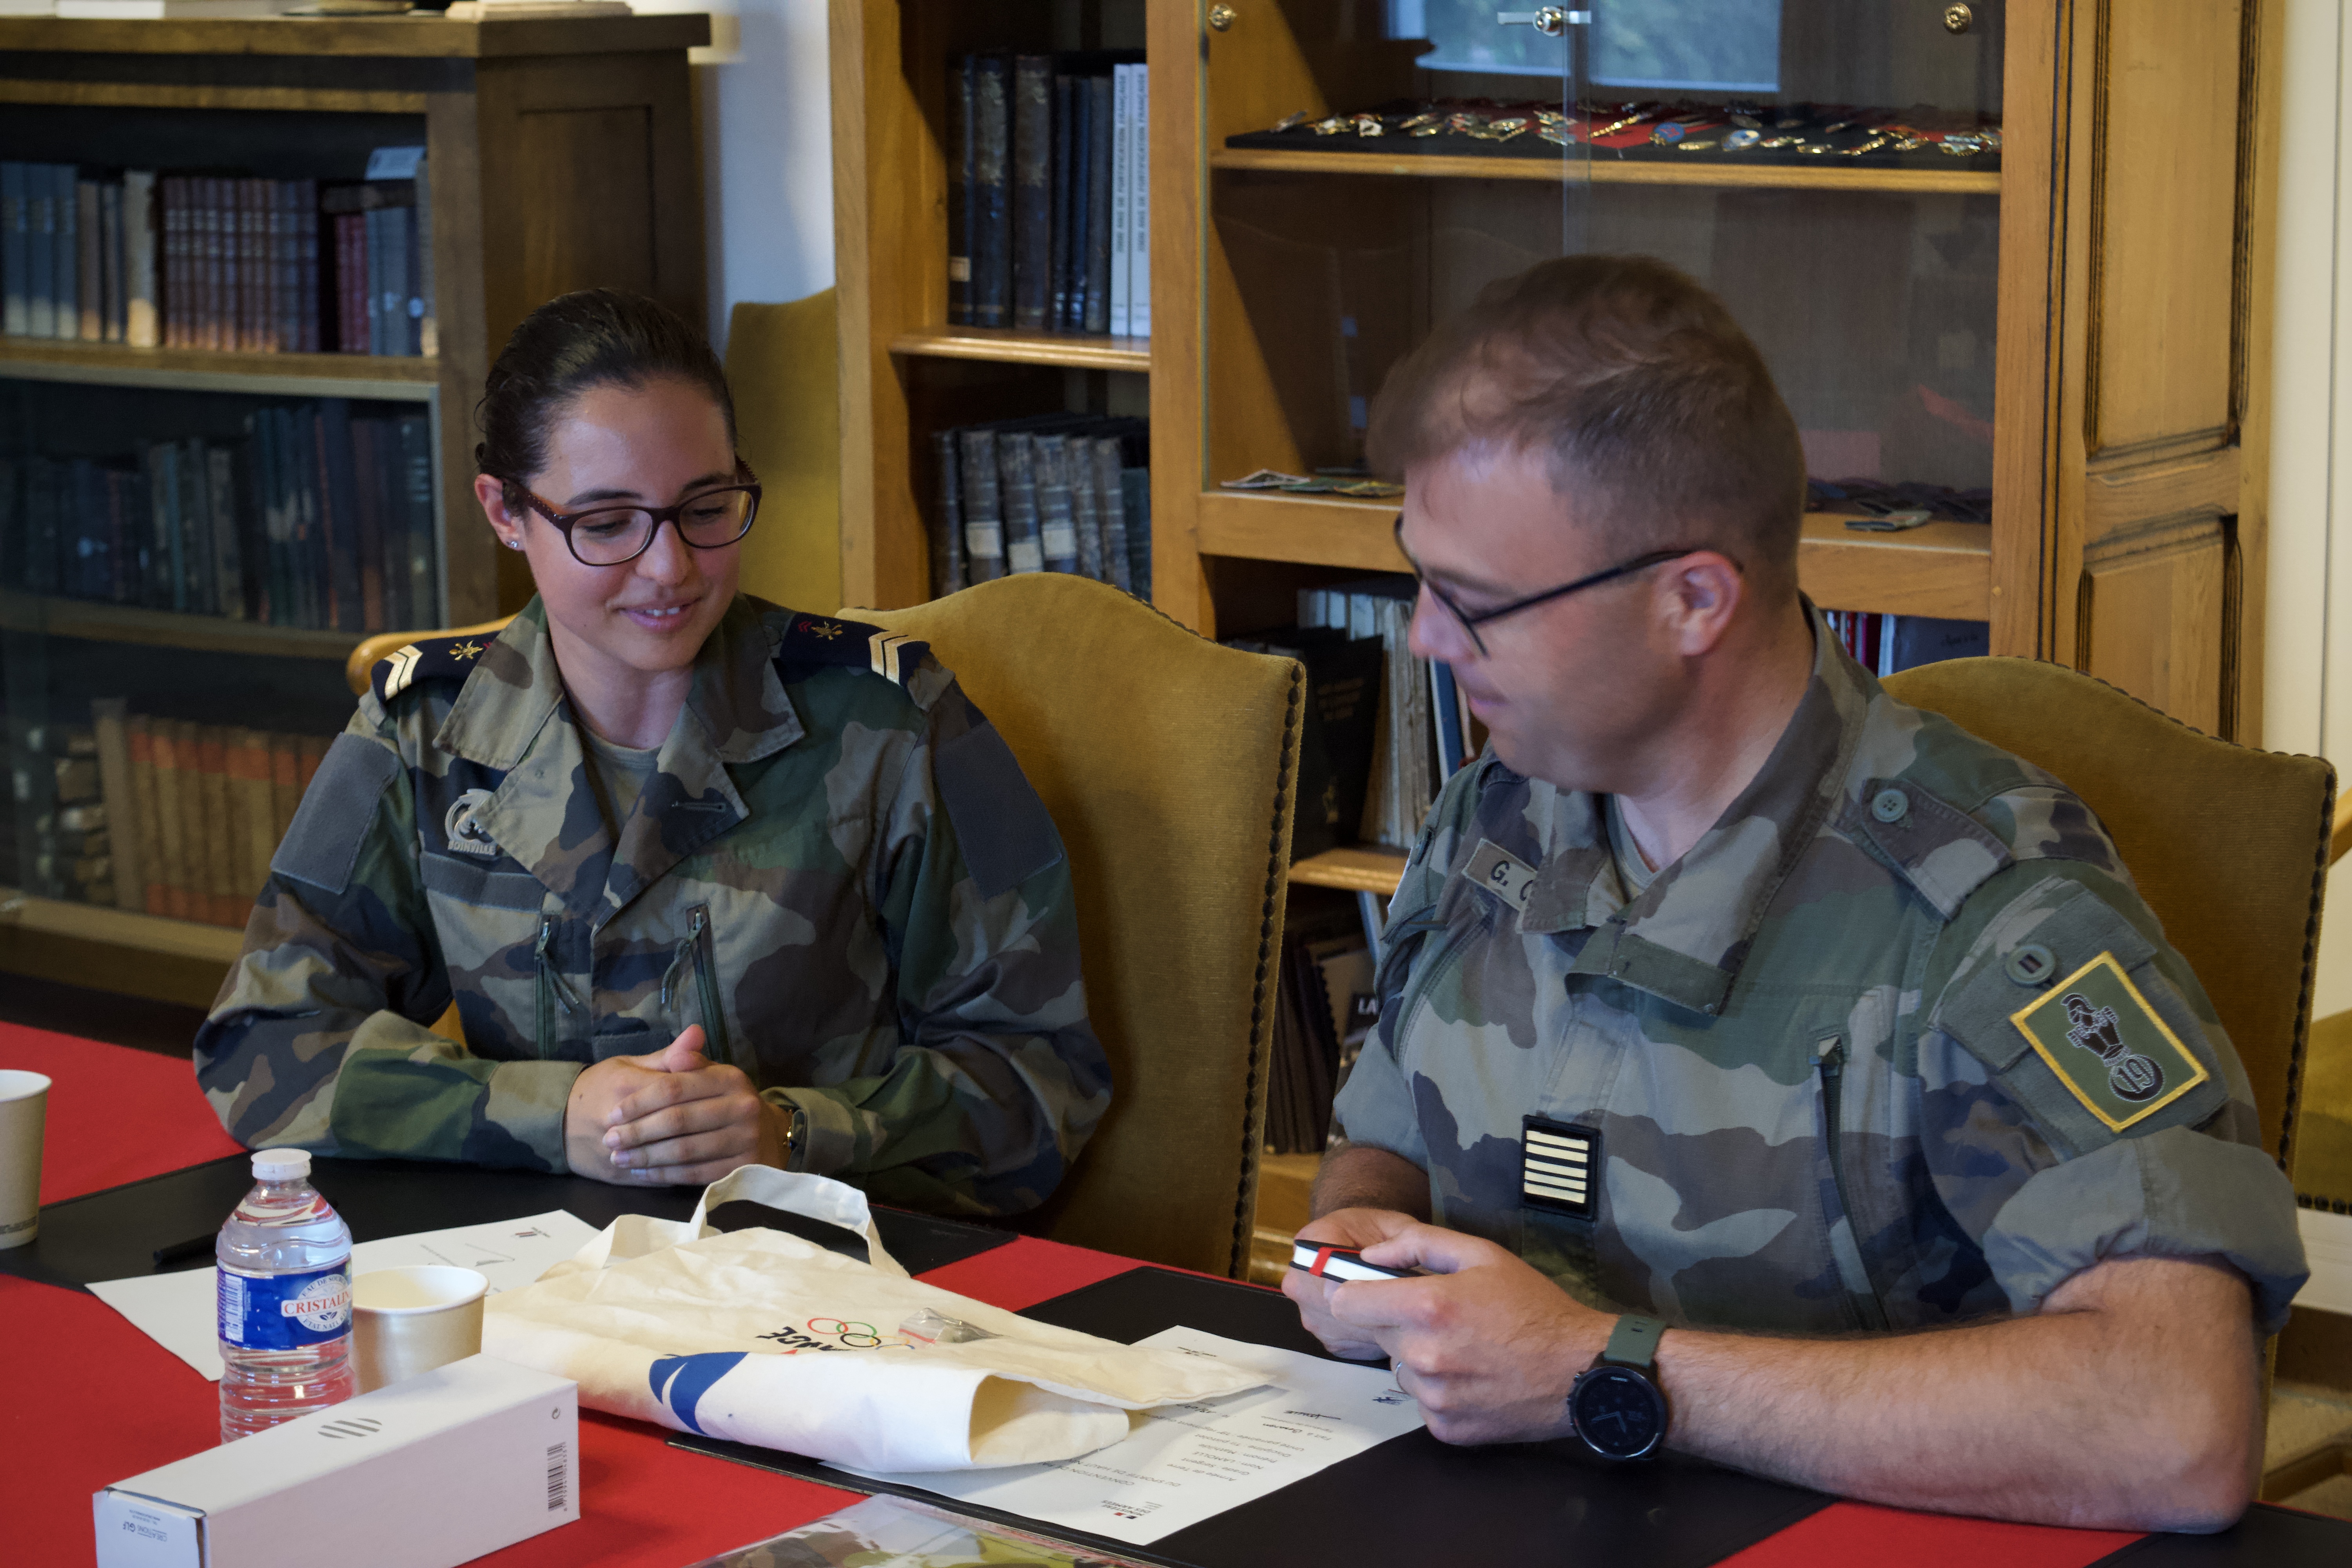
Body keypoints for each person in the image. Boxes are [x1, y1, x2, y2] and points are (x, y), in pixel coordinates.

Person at [1281, 256, 2307, 1529]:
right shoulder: (1497, 811)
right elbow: (1383, 1132)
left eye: (1477, 602)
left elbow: (2178, 1424)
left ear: (1693, 600)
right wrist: (1364, 1247)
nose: (1427, 638)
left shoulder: (1984, 909)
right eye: (1418, 572)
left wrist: (1604, 1374)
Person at [195, 289, 1110, 1216]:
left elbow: (1040, 1084)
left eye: (705, 508)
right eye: (607, 523)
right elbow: (261, 1044)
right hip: (529, 1276)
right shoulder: (420, 732)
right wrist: (551, 1115)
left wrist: (790, 1134)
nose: (669, 566)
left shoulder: (897, 725)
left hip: (814, 1284)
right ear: (507, 512)